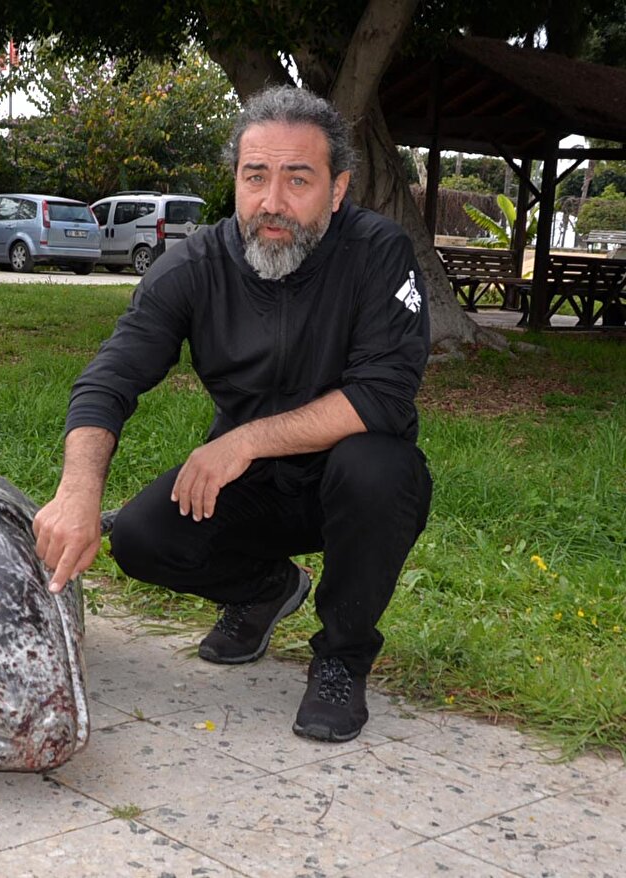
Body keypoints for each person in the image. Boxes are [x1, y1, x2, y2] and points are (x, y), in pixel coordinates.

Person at [32, 85, 433, 743]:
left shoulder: (378, 252)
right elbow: (110, 379)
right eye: (256, 177)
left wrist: (245, 438)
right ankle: (265, 588)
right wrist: (78, 491)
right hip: (254, 489)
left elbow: (383, 395)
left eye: (297, 180)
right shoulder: (195, 264)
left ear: (337, 189)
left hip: (357, 481)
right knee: (139, 535)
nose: (273, 203)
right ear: (236, 181)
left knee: (377, 469)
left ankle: (341, 657)